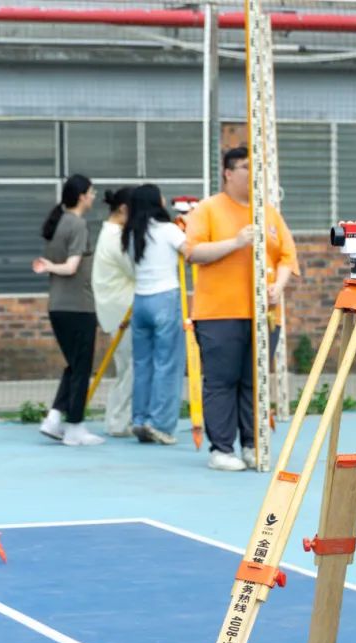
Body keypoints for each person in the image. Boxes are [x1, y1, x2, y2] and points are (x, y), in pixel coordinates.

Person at [183, 147, 299, 471]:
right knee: (222, 381)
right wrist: (235, 242)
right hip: (219, 313)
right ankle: (221, 449)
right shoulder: (208, 209)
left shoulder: (268, 213)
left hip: (263, 314)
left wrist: (279, 285)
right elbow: (192, 252)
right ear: (228, 172)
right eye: (247, 167)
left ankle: (252, 444)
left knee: (255, 381)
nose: (254, 173)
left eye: (257, 167)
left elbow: (287, 256)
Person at [32, 174, 103, 447]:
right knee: (81, 368)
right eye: (92, 192)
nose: (94, 196)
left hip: (58, 306)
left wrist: (49, 265)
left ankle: (53, 419)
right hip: (78, 307)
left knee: (74, 365)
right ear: (82, 196)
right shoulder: (77, 224)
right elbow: (71, 267)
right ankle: (75, 427)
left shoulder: (59, 222)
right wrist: (50, 267)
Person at [123, 184, 187, 445]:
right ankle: (160, 424)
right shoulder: (169, 230)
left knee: (142, 364)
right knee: (167, 364)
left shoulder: (131, 234)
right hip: (165, 298)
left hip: (140, 300)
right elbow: (190, 250)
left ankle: (139, 419)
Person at [91, 187, 135, 438]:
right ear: (124, 209)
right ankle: (118, 420)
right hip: (122, 309)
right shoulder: (117, 238)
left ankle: (119, 419)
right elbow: (136, 270)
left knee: (127, 367)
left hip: (116, 308)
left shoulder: (110, 233)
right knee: (131, 368)